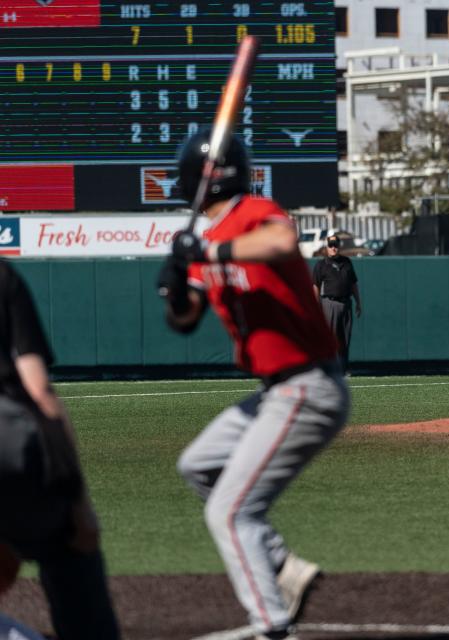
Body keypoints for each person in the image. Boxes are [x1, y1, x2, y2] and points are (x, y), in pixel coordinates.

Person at [157, 128, 350, 640]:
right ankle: (282, 566)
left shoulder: (253, 213)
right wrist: (175, 283)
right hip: (275, 392)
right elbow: (185, 319)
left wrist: (208, 252)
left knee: (231, 512)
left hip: (310, 386)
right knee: (197, 465)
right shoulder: (206, 238)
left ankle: (271, 628)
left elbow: (282, 241)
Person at [0, 259, 121, 640]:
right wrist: (79, 504)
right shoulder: (3, 277)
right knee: (70, 551)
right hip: (9, 445)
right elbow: (39, 391)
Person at [312, 234, 361, 373]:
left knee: (345, 338)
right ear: (327, 247)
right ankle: (329, 369)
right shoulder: (321, 265)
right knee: (331, 339)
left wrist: (358, 302)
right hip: (329, 303)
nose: (334, 248)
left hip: (346, 303)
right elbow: (315, 286)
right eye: (331, 245)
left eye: (336, 245)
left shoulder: (347, 262)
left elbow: (353, 284)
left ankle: (343, 369)